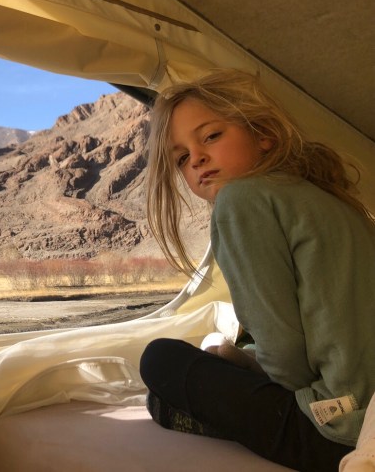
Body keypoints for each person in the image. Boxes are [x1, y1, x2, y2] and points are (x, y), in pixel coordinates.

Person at [139, 69, 375, 471]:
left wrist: (254, 385)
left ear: (263, 134)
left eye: (211, 136)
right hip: (366, 405)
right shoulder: (327, 197)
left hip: (339, 426)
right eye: (181, 158)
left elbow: (285, 353)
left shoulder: (242, 200)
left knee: (160, 360)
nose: (196, 159)